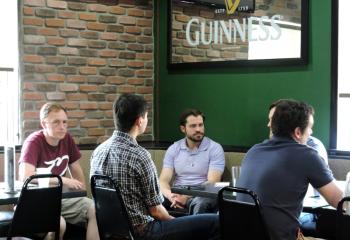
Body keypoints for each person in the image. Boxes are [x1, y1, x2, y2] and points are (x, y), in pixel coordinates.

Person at [90, 94, 220, 240]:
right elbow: (156, 211)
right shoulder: (140, 156)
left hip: (114, 231)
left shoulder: (98, 152)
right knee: (217, 223)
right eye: (146, 116)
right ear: (140, 121)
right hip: (145, 232)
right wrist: (175, 223)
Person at [237, 99, 343, 240]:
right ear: (298, 132)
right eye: (310, 127)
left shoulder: (253, 151)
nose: (311, 132)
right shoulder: (307, 155)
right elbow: (340, 201)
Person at [18, 103, 99, 240]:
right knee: (58, 224)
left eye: (64, 122)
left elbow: (76, 169)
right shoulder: (33, 142)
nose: (62, 127)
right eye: (56, 122)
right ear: (44, 124)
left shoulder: (66, 139)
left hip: (61, 199)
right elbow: (25, 176)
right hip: (35, 200)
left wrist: (82, 193)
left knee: (95, 210)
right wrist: (62, 180)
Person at [159, 109, 225, 214]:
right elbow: (163, 181)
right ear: (183, 128)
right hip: (176, 194)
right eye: (193, 126)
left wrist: (186, 196)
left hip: (201, 195)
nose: (198, 129)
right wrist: (170, 196)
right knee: (154, 199)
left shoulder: (214, 148)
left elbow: (212, 182)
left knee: (201, 203)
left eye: (201, 125)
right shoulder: (174, 148)